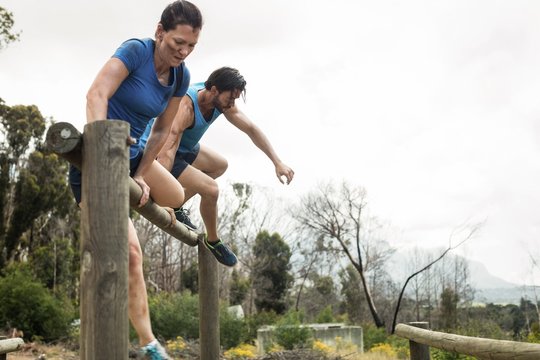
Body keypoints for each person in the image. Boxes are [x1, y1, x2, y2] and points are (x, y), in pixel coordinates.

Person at [68, 1, 202, 359]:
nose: (183, 52)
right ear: (160, 32)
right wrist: (100, 148)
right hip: (100, 158)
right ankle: (148, 343)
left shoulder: (181, 76)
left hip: (133, 160)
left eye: (191, 46)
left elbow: (162, 128)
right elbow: (96, 94)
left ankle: (139, 189)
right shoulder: (136, 51)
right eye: (177, 43)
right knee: (129, 253)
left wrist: (142, 174)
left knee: (175, 196)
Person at [141, 67, 295, 267]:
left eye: (235, 99)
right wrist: (163, 197)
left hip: (185, 147)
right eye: (230, 98)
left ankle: (179, 207)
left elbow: (251, 129)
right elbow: (166, 151)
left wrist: (277, 162)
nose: (232, 104)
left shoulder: (221, 104)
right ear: (214, 90)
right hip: (160, 151)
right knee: (211, 190)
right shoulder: (186, 107)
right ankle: (212, 240)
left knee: (219, 166)